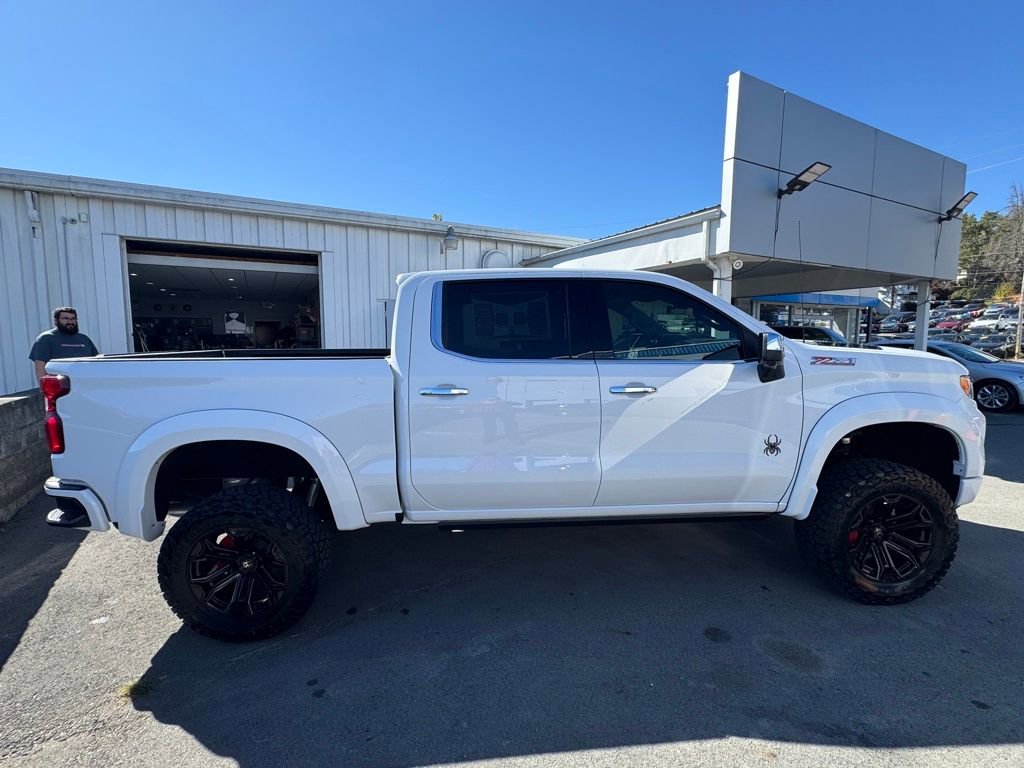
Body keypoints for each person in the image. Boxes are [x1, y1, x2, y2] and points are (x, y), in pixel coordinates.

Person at [29, 307, 99, 381]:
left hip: (85, 384)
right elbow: (40, 366)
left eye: (73, 319)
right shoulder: (46, 338)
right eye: (66, 318)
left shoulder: (84, 339)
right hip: (60, 386)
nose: (70, 322)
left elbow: (96, 361)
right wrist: (44, 389)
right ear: (56, 321)